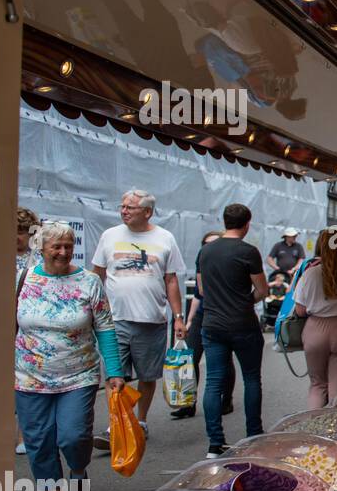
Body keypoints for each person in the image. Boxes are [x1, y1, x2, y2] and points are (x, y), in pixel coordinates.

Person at [15, 222, 125, 491]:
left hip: (78, 375)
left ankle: (77, 471)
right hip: (28, 376)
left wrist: (114, 371)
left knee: (73, 436)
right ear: (42, 248)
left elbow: (105, 327)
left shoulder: (89, 282)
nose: (64, 252)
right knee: (38, 442)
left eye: (69, 246)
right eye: (57, 247)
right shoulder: (23, 279)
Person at [91, 189, 187, 438]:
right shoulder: (109, 236)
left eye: (130, 208)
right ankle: (117, 423)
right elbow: (97, 275)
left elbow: (171, 280)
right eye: (122, 207)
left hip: (152, 320)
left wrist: (178, 316)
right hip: (115, 320)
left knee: (147, 375)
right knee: (115, 375)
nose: (123, 211)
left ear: (147, 212)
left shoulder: (165, 238)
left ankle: (141, 421)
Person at [196, 204, 269, 456]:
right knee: (251, 378)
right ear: (247, 224)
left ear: (224, 221)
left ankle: (215, 443)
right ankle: (254, 436)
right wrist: (244, 300)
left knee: (213, 383)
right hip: (242, 324)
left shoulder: (205, 252)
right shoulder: (248, 251)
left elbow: (203, 290)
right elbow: (262, 290)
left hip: (212, 324)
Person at [293, 227, 337, 408]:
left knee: (318, 385)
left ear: (321, 246)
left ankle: (314, 429)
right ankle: (336, 429)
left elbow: (300, 311)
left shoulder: (310, 273)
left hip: (316, 329)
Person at [172, 231, 235, 421]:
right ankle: (188, 403)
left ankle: (226, 400)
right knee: (190, 359)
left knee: (223, 360)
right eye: (206, 244)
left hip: (222, 317)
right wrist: (188, 320)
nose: (210, 248)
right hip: (202, 316)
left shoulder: (230, 264)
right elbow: (198, 297)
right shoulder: (202, 262)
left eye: (214, 243)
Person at [14, 208, 41, 454]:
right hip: (3, 323)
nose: (17, 236)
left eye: (22, 231)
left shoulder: (38, 258)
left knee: (25, 380)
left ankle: (24, 435)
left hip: (28, 324)